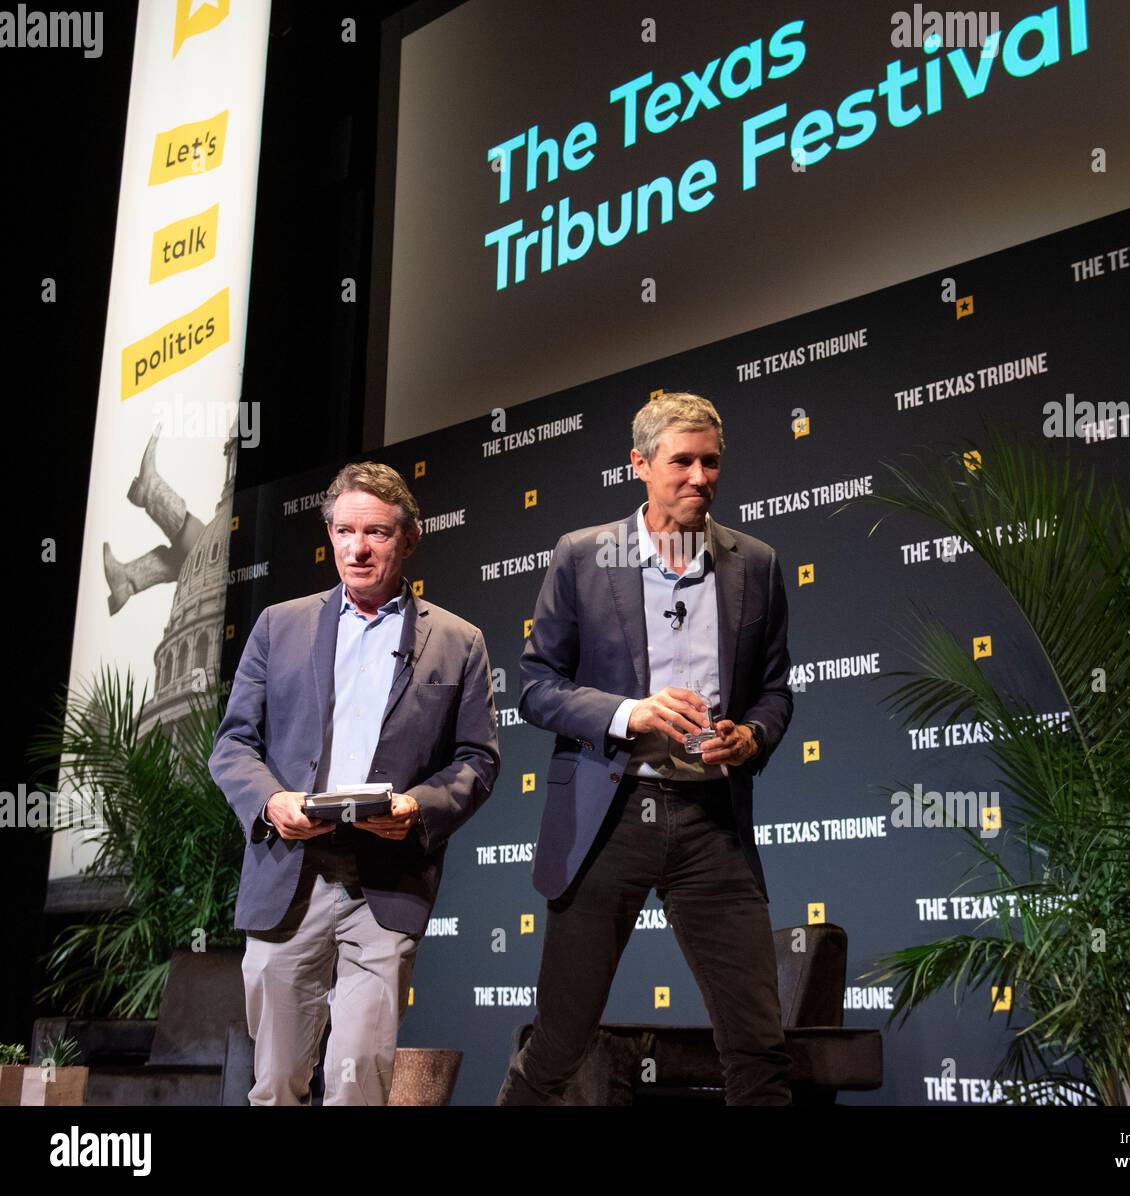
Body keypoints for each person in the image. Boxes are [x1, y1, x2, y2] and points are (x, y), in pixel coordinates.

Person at [497, 393, 795, 1105]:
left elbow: (777, 692)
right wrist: (630, 713)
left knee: (758, 1046)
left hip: (711, 824)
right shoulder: (582, 555)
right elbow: (535, 688)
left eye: (711, 461)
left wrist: (750, 736)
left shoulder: (755, 562)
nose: (700, 477)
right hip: (611, 816)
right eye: (681, 461)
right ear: (639, 465)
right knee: (560, 1042)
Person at [210, 461, 500, 1105]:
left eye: (376, 532)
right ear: (331, 535)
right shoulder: (279, 626)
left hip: (385, 881)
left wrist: (415, 809)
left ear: (408, 539)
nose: (358, 548)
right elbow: (233, 743)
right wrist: (270, 801)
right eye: (345, 531)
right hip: (291, 872)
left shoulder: (458, 641)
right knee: (277, 1080)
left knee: (358, 1079)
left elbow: (478, 760)